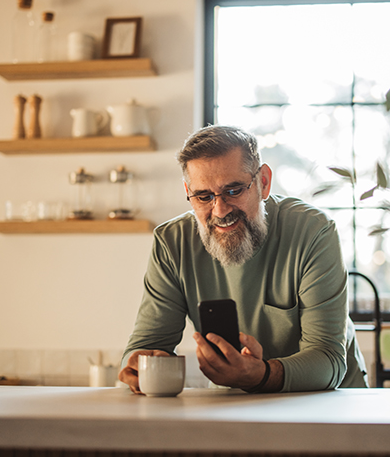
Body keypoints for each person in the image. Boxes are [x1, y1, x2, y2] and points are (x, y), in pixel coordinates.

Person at [119, 125, 368, 393]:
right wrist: (137, 367)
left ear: (263, 182)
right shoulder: (172, 243)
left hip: (331, 402)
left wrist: (261, 375)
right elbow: (146, 347)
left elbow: (328, 360)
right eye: (203, 196)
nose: (220, 209)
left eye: (234, 190)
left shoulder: (313, 231)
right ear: (188, 192)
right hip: (234, 401)